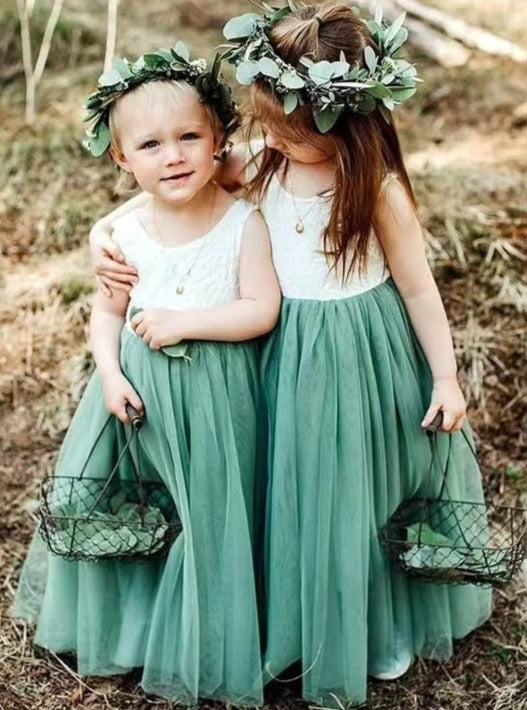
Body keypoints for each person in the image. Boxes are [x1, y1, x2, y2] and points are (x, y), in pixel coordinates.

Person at [88, 5, 493, 707]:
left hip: (357, 355)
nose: (264, 131)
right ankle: (289, 621)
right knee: (289, 489)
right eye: (265, 117)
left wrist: (446, 375)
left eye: (283, 123)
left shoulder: (378, 191)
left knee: (352, 494)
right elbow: (172, 195)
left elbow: (420, 291)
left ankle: (367, 630)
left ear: (340, 120)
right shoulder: (263, 162)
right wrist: (101, 231)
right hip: (279, 353)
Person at [12, 44, 280, 707]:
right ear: (122, 158)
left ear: (219, 141)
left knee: (206, 515)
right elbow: (106, 317)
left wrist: (187, 323)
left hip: (218, 401)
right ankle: (130, 634)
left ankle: (207, 635)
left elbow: (261, 310)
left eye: (190, 137)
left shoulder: (243, 223)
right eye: (152, 144)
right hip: (134, 396)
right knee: (132, 512)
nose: (174, 155)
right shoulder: (125, 235)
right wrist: (108, 372)